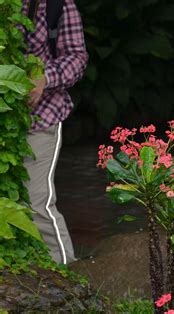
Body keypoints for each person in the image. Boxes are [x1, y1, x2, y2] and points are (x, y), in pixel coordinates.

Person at [21, 0, 88, 264]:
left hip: (40, 118)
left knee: (36, 204)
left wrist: (44, 78)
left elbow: (77, 57)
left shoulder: (55, 5)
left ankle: (68, 278)